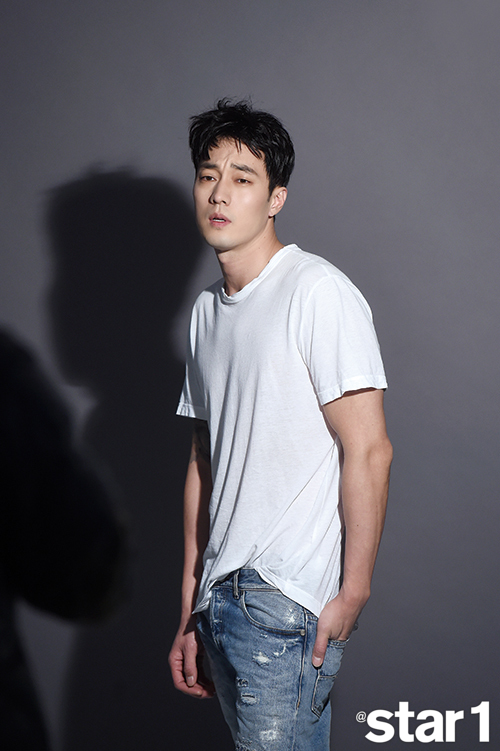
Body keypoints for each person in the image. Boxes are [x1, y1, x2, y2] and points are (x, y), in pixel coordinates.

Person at [169, 99, 393, 751]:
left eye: (242, 178)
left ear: (275, 199)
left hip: (281, 600)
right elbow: (204, 461)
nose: (220, 192)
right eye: (208, 175)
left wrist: (354, 590)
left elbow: (370, 449)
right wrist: (189, 606)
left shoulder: (315, 291)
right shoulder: (206, 312)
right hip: (220, 601)